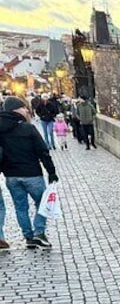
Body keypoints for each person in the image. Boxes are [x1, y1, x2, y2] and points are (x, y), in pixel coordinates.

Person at [0, 96, 58, 250]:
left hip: (11, 176)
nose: (27, 110)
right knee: (42, 202)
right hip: (32, 174)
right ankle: (39, 232)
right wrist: (51, 171)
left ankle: (28, 237)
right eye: (24, 108)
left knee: (21, 207)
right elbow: (43, 151)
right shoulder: (28, 128)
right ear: (16, 109)